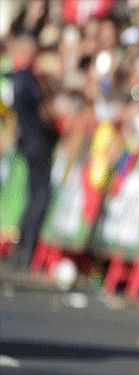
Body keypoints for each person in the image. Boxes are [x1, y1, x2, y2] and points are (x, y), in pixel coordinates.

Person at [11, 32, 58, 270]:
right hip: (37, 140)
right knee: (40, 195)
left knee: (34, 194)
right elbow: (40, 112)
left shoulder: (18, 78)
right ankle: (26, 247)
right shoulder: (26, 79)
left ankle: (22, 246)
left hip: (28, 141)